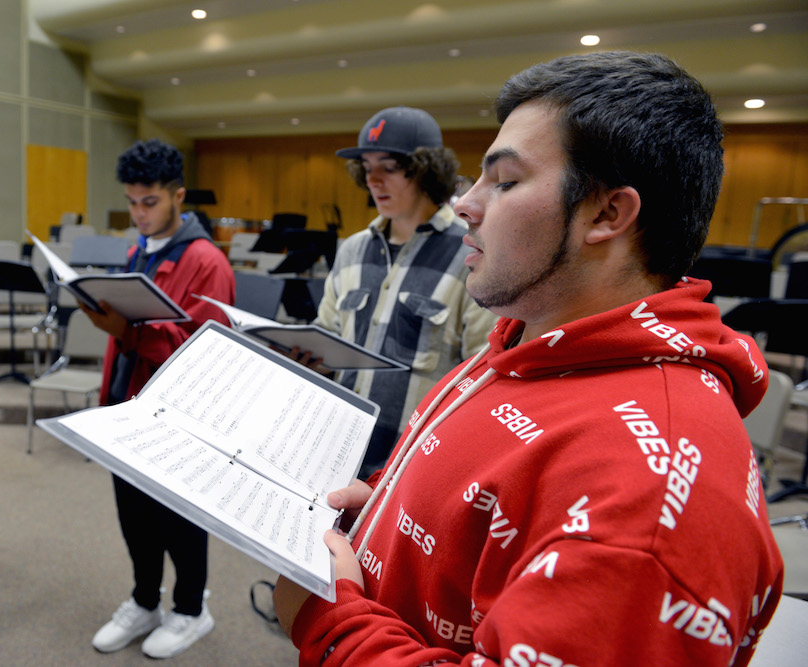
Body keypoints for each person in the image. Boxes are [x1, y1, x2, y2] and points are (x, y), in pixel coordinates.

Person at [274, 52, 784, 666]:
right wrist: (390, 503)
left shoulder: (648, 504)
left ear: (605, 214)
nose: (465, 203)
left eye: (506, 181)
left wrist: (329, 621)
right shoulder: (525, 341)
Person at [84, 139, 235, 658]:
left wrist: (127, 331)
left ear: (178, 197)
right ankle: (145, 600)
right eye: (131, 202)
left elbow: (204, 352)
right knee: (135, 517)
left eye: (149, 202)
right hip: (128, 402)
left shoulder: (206, 260)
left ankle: (191, 610)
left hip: (180, 416)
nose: (138, 213)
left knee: (178, 520)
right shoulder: (136, 251)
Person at [312, 106, 496, 478]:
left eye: (389, 167)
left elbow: (482, 374)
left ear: (427, 170)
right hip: (335, 458)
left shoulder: (470, 254)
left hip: (409, 469)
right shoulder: (351, 250)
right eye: (366, 169)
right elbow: (326, 337)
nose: (373, 181)